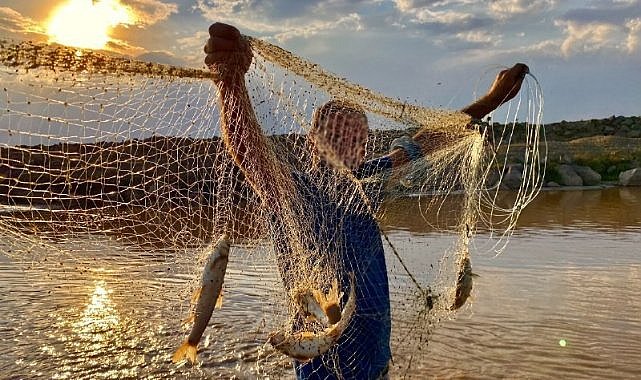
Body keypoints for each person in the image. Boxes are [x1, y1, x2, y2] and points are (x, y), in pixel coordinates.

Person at [204, 22, 528, 379]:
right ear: (314, 139)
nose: (350, 146)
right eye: (338, 135)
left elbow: (426, 142)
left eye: (359, 138)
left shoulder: (366, 181)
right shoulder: (292, 192)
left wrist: (491, 100)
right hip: (324, 367)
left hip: (376, 362)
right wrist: (230, 82)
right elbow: (250, 152)